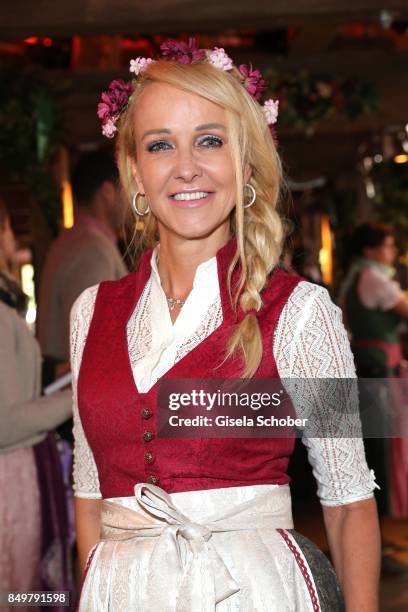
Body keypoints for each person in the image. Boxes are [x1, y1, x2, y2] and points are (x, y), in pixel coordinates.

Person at [71, 40, 380, 611]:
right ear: (136, 172)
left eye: (209, 141)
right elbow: (90, 497)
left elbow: (348, 502)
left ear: (245, 163)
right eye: (160, 145)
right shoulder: (91, 311)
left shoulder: (304, 313)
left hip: (254, 593)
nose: (186, 167)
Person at [0, 201, 72, 608]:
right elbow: (6, 422)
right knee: (17, 592)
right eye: (10, 227)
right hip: (9, 477)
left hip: (16, 470)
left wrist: (54, 376)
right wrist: (79, 397)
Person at [37, 150, 128, 378]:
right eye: (125, 189)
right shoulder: (91, 249)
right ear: (108, 192)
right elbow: (94, 338)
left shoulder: (72, 240)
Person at [342, 222, 408, 523]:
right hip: (378, 370)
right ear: (370, 249)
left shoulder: (359, 275)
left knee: (379, 447)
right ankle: (379, 531)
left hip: (371, 367)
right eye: (388, 245)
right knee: (381, 451)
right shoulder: (374, 278)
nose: (392, 251)